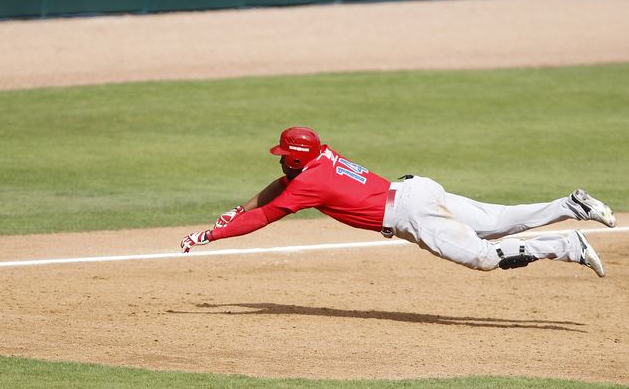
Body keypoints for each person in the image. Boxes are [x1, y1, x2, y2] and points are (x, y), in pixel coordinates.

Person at [180, 126, 615, 277]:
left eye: (285, 157)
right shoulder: (321, 159)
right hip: (416, 189)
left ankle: (567, 245)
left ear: (295, 159)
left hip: (410, 212)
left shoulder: (305, 185)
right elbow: (275, 190)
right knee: (496, 221)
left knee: (484, 257)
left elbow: (266, 217)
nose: (283, 164)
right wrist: (238, 207)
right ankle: (571, 204)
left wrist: (211, 234)